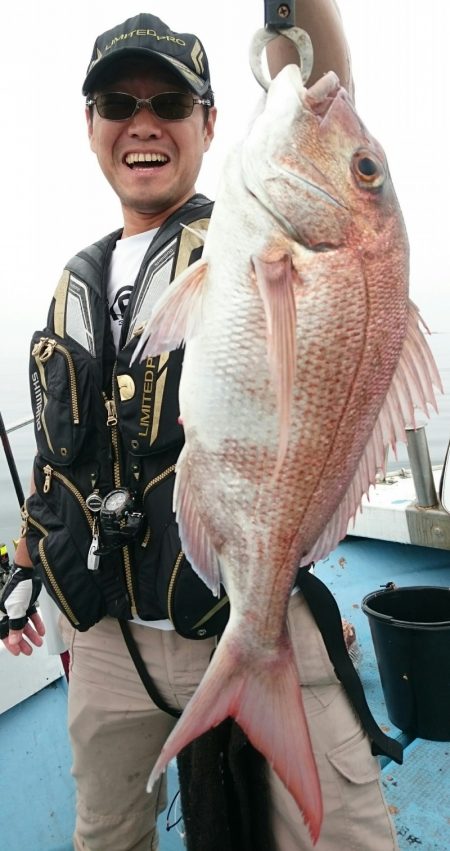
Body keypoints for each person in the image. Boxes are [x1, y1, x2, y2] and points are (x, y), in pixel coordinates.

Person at [0, 4, 399, 850]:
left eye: (172, 105)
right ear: (91, 126)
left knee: (350, 838)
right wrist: (23, 563)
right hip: (105, 644)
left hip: (245, 607)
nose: (143, 124)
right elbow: (61, 459)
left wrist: (304, 24)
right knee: (106, 835)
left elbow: (328, 91)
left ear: (213, 121)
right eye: (118, 105)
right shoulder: (72, 287)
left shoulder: (252, 236)